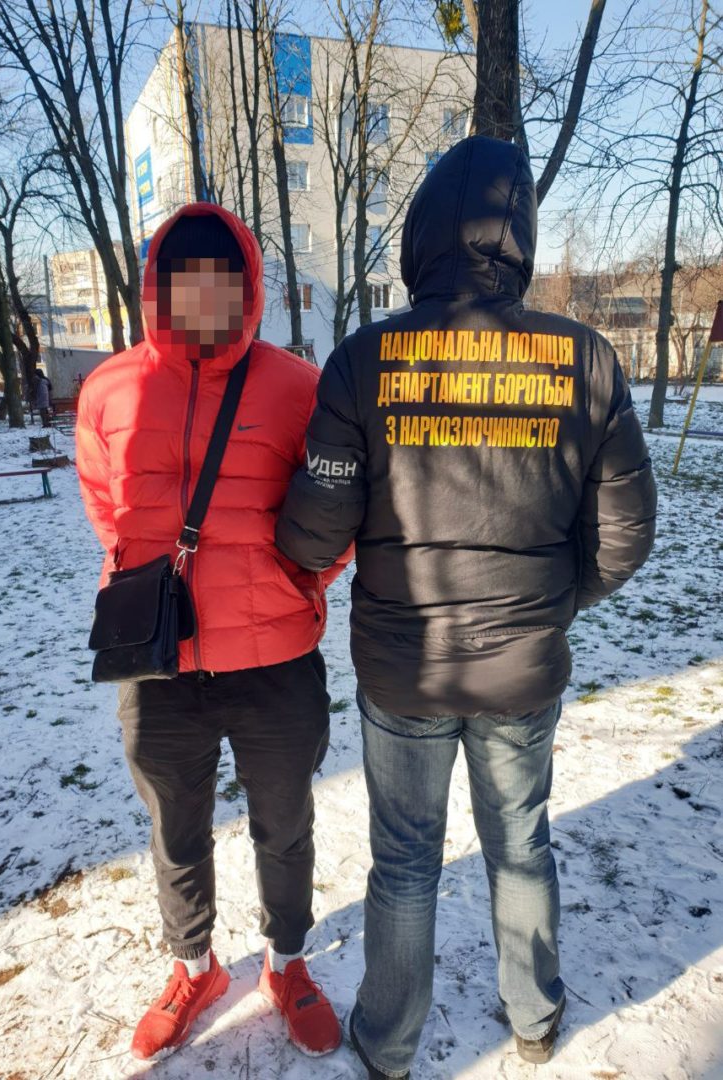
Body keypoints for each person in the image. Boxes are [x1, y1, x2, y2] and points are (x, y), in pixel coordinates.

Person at [276, 136, 657, 1079]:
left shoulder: (363, 361)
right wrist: (552, 605)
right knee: (521, 844)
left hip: (405, 666)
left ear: (421, 236)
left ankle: (389, 1044)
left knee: (405, 861)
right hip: (523, 664)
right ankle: (534, 1017)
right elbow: (627, 533)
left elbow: (315, 535)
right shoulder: (585, 357)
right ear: (519, 234)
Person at [76, 204, 349, 1063]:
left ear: (247, 287)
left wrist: (299, 585)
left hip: (276, 663)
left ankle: (288, 965)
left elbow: (335, 512)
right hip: (160, 664)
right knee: (176, 831)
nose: (200, 296)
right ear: (157, 289)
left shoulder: (298, 387)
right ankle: (194, 968)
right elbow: (104, 505)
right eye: (182, 280)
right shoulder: (108, 390)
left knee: (285, 824)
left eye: (219, 280)